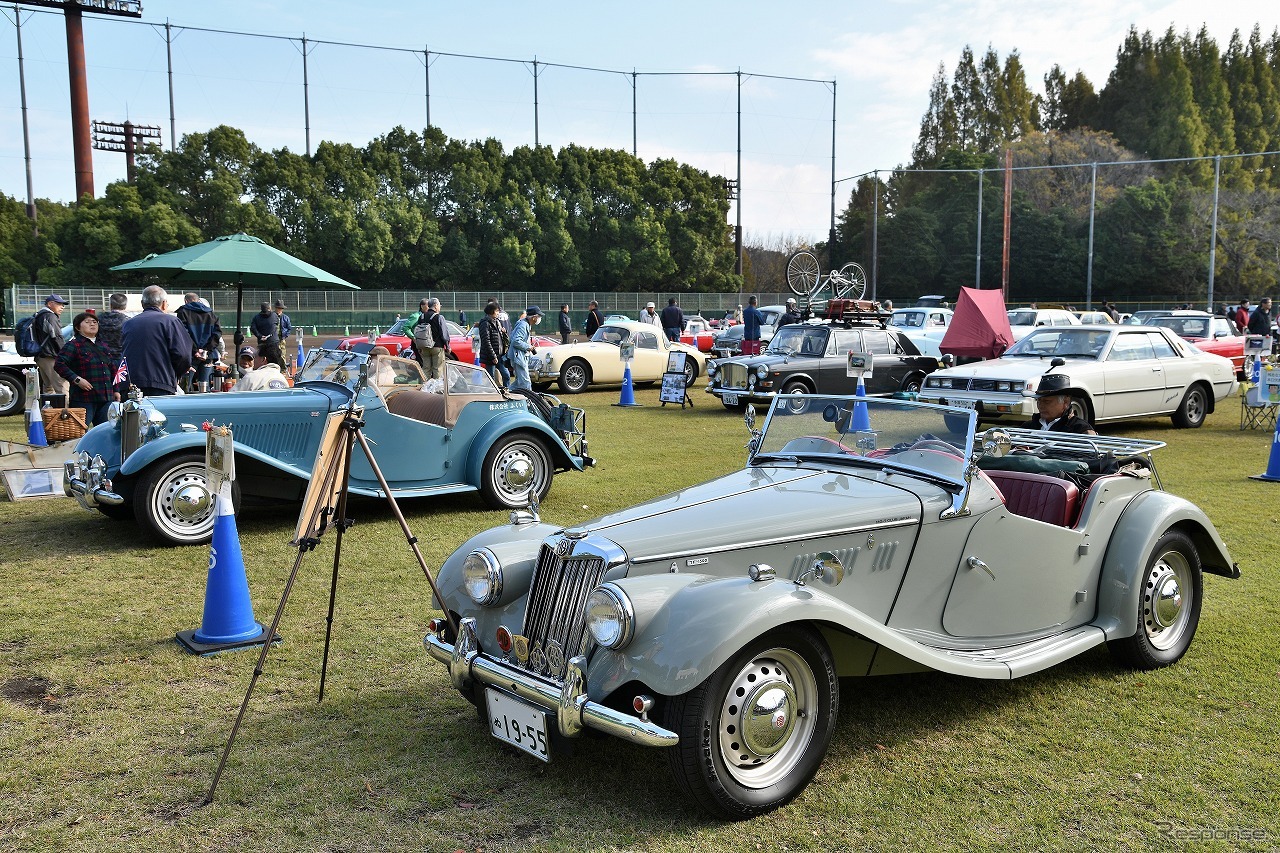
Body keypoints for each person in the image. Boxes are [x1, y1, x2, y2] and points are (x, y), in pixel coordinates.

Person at [121, 285, 191, 396]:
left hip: (130, 383)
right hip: (161, 381)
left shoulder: (128, 323)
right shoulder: (171, 321)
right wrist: (178, 373)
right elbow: (183, 354)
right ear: (164, 303)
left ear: (142, 303)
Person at [54, 312, 114, 425]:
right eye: (87, 322)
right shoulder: (73, 345)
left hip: (106, 397)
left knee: (105, 432)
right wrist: (76, 379)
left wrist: (116, 390)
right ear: (78, 327)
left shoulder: (103, 345)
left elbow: (112, 368)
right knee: (79, 432)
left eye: (95, 322)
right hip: (84, 398)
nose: (92, 324)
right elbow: (59, 364)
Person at [175, 292, 223, 392]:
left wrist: (195, 351)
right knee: (205, 388)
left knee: (184, 387)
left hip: (190, 356)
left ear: (185, 301)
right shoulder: (211, 313)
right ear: (198, 300)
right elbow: (217, 334)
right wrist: (207, 350)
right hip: (208, 356)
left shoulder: (183, 312)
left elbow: (183, 334)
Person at [1019, 374, 1096, 434]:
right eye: (1038, 401)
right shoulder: (1028, 427)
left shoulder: (1080, 429)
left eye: (1047, 402)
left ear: (1065, 402)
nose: (1040, 406)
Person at [34, 293, 69, 398]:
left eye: (63, 304)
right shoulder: (50, 316)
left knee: (49, 389)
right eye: (59, 304)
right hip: (51, 357)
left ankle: (48, 413)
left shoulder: (38, 315)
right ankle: (65, 413)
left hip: (41, 357)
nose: (62, 307)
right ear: (50, 304)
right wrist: (66, 355)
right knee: (62, 387)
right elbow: (57, 337)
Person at [509, 305, 542, 392]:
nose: (539, 319)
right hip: (518, 357)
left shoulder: (526, 324)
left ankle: (507, 393)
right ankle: (528, 401)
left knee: (519, 382)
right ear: (534, 317)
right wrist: (528, 347)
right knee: (525, 383)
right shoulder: (523, 325)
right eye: (538, 316)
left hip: (520, 357)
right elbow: (516, 341)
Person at [477, 302, 508, 387]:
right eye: (497, 311)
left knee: (506, 376)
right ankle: (492, 395)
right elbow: (486, 341)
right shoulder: (485, 323)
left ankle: (507, 392)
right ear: (491, 311)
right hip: (490, 356)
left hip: (500, 355)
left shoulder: (497, 321)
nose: (498, 313)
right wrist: (493, 356)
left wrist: (504, 332)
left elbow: (499, 338)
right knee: (491, 378)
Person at [97, 293, 129, 371]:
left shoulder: (98, 319)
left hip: (101, 358)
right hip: (122, 359)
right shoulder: (129, 321)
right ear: (125, 306)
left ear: (110, 305)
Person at [250, 302, 281, 366]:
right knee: (275, 358)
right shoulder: (274, 315)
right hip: (273, 340)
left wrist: (260, 336)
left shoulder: (257, 317)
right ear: (269, 308)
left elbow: (253, 328)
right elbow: (276, 324)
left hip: (263, 341)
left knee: (262, 358)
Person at [272, 299, 292, 370]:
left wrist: (285, 336)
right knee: (273, 353)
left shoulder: (285, 318)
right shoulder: (272, 316)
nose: (279, 310)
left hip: (281, 338)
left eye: (280, 308)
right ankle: (274, 368)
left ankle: (283, 368)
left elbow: (289, 328)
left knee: (282, 354)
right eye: (278, 308)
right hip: (273, 339)